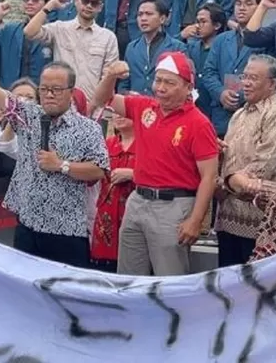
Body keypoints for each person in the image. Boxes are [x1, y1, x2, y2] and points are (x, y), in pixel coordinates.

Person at [0, 42, 109, 267]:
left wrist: (62, 165)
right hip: (27, 226)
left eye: (56, 90)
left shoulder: (88, 128)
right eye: (44, 89)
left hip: (67, 231)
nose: (49, 95)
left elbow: (99, 169)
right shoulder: (27, 116)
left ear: (70, 92)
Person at [91, 52, 219, 276]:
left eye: (169, 82)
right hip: (138, 200)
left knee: (169, 278)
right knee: (128, 276)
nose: (160, 87)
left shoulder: (199, 123)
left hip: (174, 206)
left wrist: (195, 220)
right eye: (158, 80)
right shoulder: (143, 107)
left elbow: (209, 176)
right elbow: (102, 99)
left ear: (188, 87)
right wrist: (111, 76)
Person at [216, 54, 276, 266]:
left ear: (272, 84)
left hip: (257, 219)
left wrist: (228, 182)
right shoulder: (239, 114)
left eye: (253, 78)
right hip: (227, 215)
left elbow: (266, 165)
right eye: (245, 77)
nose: (246, 83)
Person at [23, 0, 118, 100]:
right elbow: (29, 32)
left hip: (91, 104)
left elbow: (108, 78)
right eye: (85, 0)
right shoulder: (59, 28)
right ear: (76, 1)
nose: (89, 5)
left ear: (100, 7)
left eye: (94, 3)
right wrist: (50, 5)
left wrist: (96, 106)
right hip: (61, 103)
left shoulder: (108, 37)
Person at [203, 0, 267, 137]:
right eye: (238, 4)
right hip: (221, 114)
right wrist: (221, 93)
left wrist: (240, 96)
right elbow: (209, 72)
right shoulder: (221, 40)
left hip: (252, 112)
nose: (242, 8)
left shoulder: (266, 40)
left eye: (248, 3)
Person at [0, 0, 55, 88]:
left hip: (40, 93)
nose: (30, 2)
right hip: (11, 91)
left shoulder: (53, 31)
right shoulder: (10, 29)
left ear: (47, 4)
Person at [90, 111, 136, 272]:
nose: (119, 116)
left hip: (135, 214)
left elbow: (161, 175)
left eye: (124, 112)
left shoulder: (148, 146)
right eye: (115, 113)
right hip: (106, 216)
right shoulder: (106, 144)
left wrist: (132, 174)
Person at [119, 0, 186, 95]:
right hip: (136, 105)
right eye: (140, 14)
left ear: (162, 19)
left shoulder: (177, 48)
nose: (143, 18)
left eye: (149, 14)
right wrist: (127, 93)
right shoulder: (131, 48)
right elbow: (123, 83)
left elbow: (183, 84)